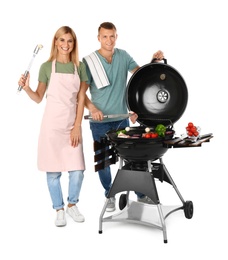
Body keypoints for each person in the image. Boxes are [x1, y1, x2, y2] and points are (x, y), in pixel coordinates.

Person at [83, 22, 164, 212]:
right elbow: (82, 94)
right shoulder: (89, 61)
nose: (108, 40)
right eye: (104, 36)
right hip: (99, 122)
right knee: (103, 162)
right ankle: (109, 195)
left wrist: (153, 61)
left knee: (133, 159)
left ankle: (141, 194)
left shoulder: (123, 56)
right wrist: (92, 108)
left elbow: (140, 75)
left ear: (116, 37)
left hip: (121, 119)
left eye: (112, 36)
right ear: (98, 38)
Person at [18, 26, 88, 227]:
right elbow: (38, 98)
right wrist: (26, 88)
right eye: (62, 40)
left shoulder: (79, 66)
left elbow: (81, 98)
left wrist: (77, 125)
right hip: (52, 126)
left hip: (72, 125)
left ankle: (72, 205)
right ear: (55, 42)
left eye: (70, 41)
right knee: (53, 171)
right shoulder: (46, 67)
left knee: (77, 171)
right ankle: (59, 209)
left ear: (74, 44)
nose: (66, 45)